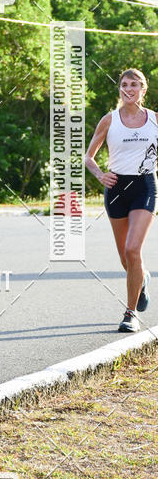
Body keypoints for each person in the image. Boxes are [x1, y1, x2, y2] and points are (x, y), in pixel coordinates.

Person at [85, 68, 156, 332]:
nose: (129, 89)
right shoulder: (109, 120)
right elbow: (88, 157)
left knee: (132, 249)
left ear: (143, 90)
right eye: (125, 84)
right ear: (120, 89)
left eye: (135, 85)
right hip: (115, 188)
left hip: (145, 186)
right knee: (125, 259)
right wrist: (99, 175)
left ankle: (130, 313)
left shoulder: (155, 121)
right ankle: (142, 279)